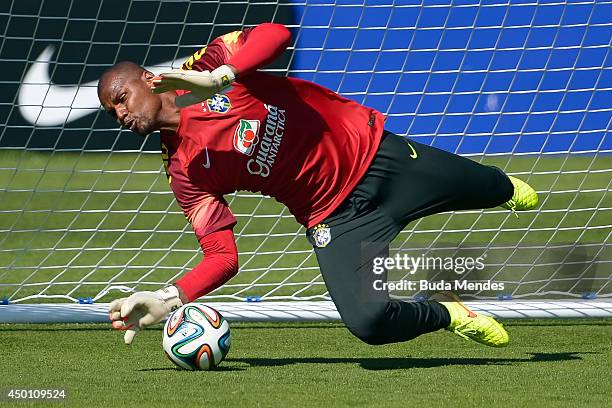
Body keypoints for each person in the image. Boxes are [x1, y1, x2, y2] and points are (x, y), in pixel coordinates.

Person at [98, 23, 538, 347]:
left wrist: (221, 77)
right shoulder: (182, 171)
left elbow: (276, 33)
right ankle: (447, 312)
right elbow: (222, 257)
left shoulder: (205, 66)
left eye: (121, 99)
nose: (120, 115)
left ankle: (499, 187)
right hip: (335, 218)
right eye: (111, 113)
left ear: (148, 80)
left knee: (500, 189)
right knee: (369, 324)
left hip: (374, 154)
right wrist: (168, 297)